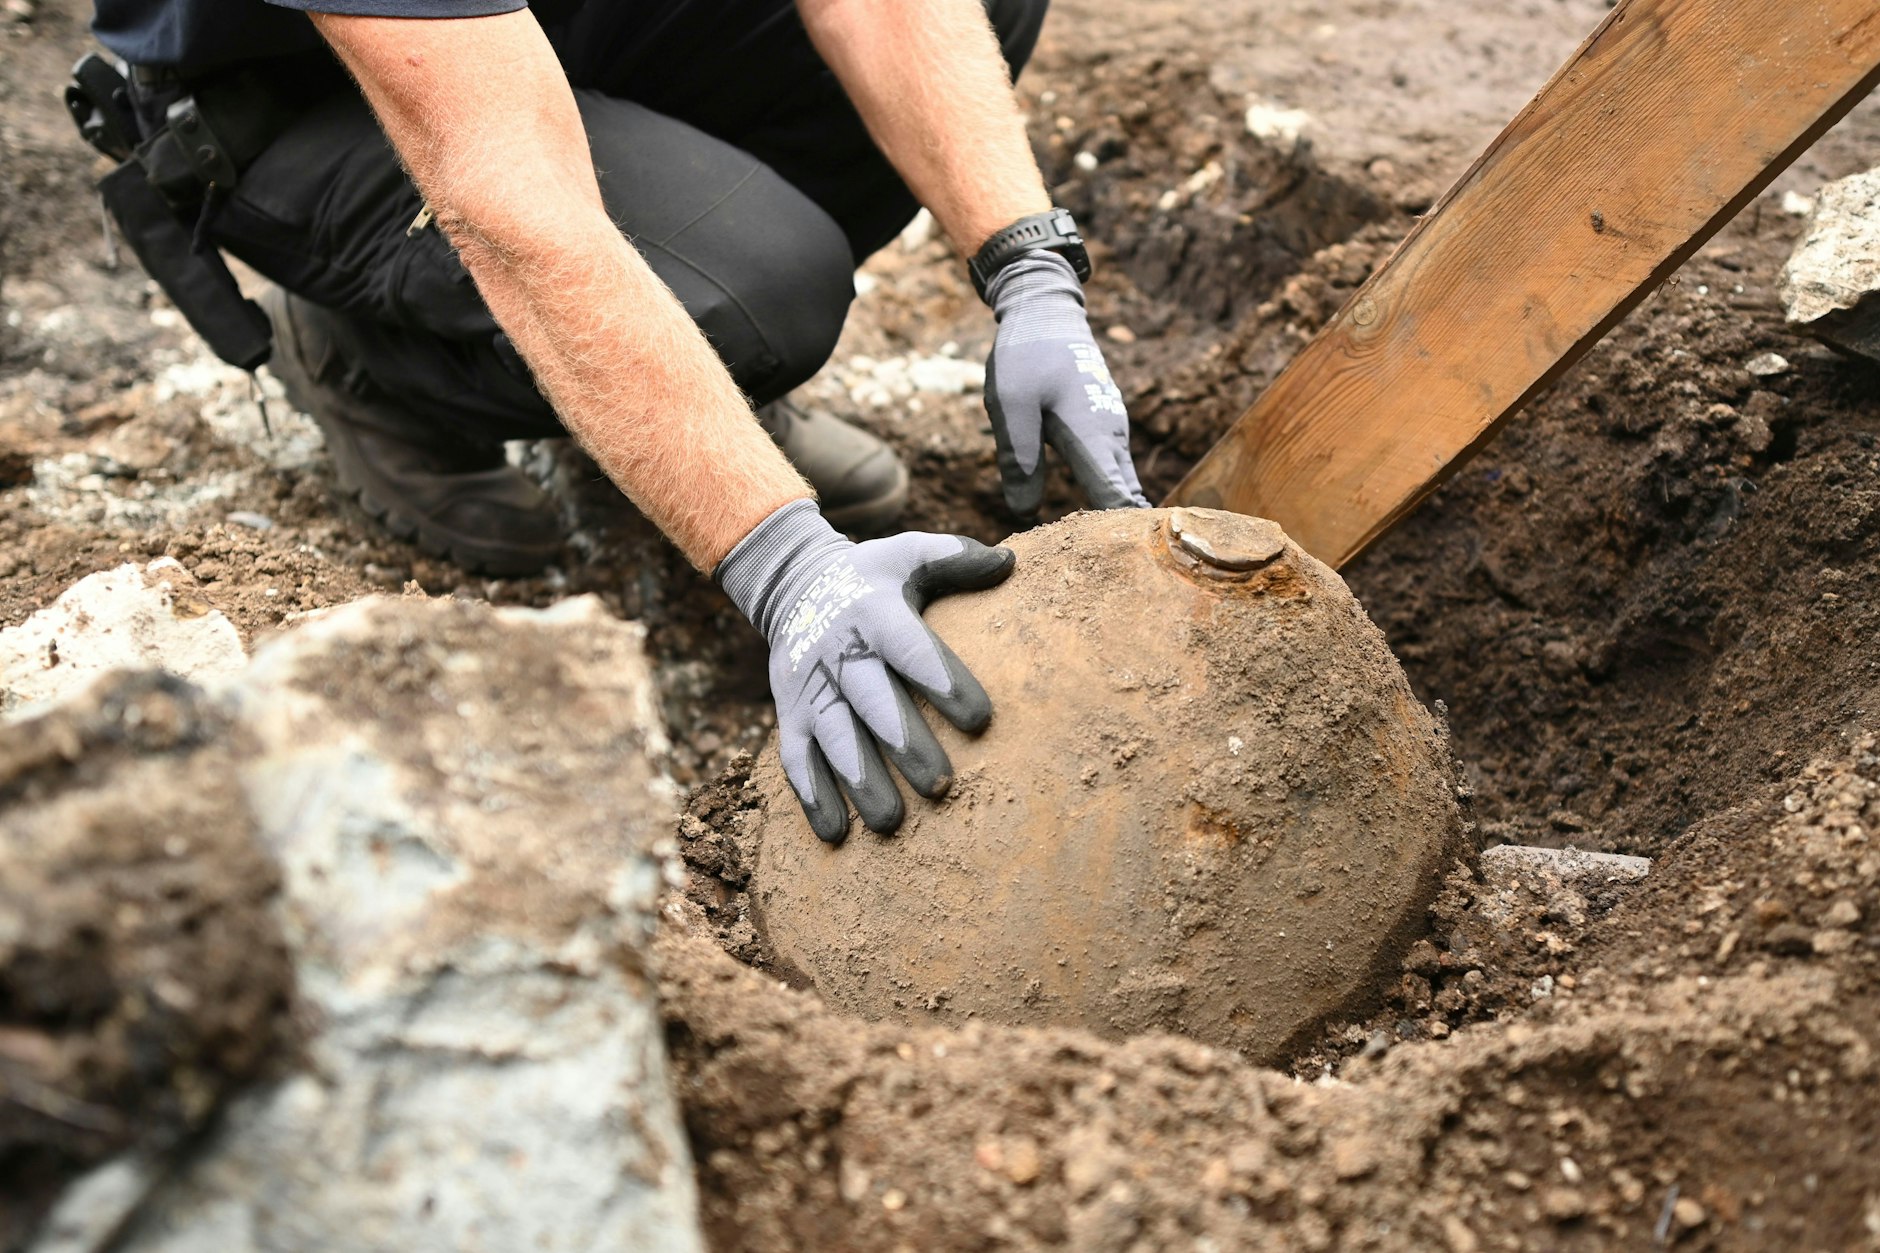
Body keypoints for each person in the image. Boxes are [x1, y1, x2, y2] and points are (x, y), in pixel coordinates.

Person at [80, 0, 1153, 841]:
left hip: (548, 32)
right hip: (312, 96)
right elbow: (513, 205)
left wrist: (1027, 263)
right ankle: (374, 356)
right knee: (763, 291)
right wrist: (783, 560)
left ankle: (683, 375)